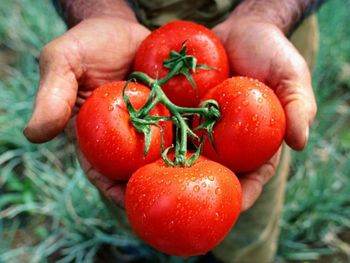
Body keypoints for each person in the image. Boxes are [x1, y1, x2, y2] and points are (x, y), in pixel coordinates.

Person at [23, 0, 323, 262]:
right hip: (114, 39)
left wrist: (266, 13)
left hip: (267, 38)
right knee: (127, 203)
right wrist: (100, 9)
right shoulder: (130, 109)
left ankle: (240, 257)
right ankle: (142, 246)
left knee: (253, 216)